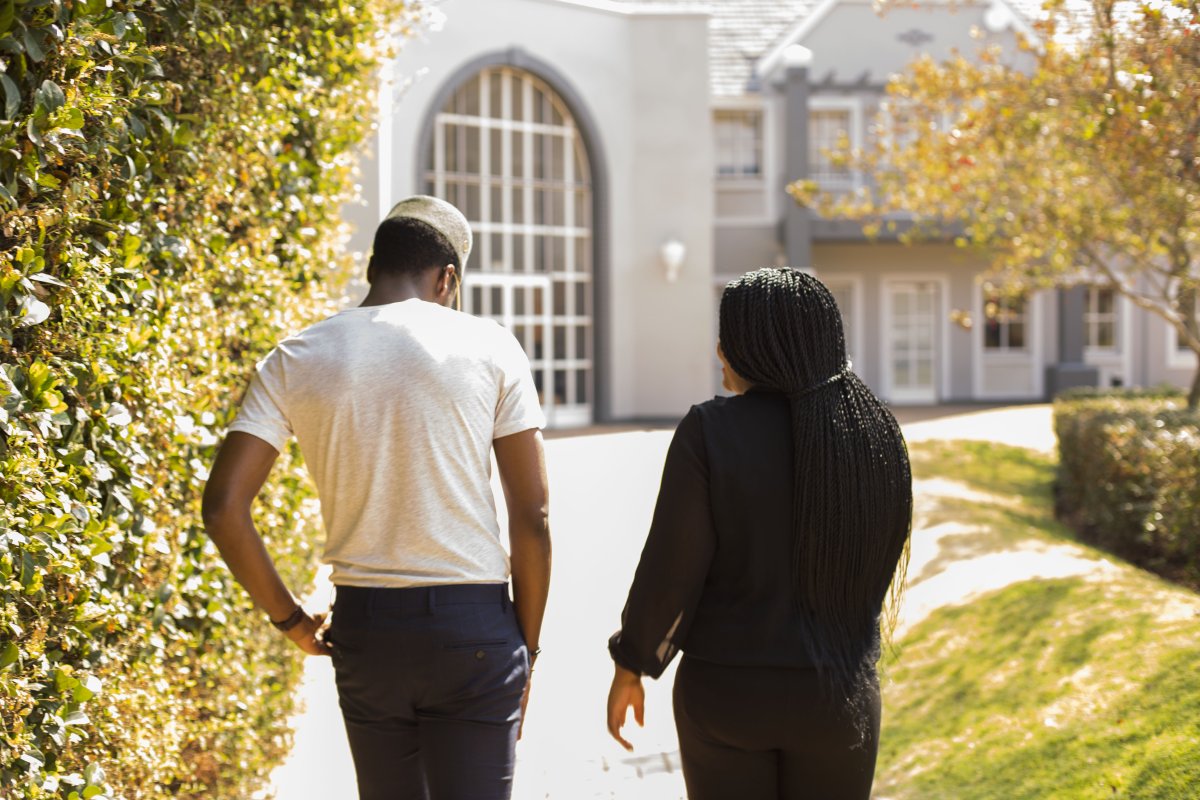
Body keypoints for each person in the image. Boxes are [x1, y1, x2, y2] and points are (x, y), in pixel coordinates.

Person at [202, 196, 551, 800]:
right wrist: (527, 648)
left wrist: (291, 621)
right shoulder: (492, 346)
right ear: (447, 279)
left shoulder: (296, 356)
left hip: (367, 630)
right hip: (474, 629)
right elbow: (533, 515)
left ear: (374, 268)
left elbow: (222, 507)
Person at [606, 267, 912, 800]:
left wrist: (632, 662)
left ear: (751, 347)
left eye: (726, 336)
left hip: (727, 693)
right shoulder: (873, 431)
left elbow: (672, 567)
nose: (718, 351)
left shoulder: (709, 431)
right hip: (837, 693)